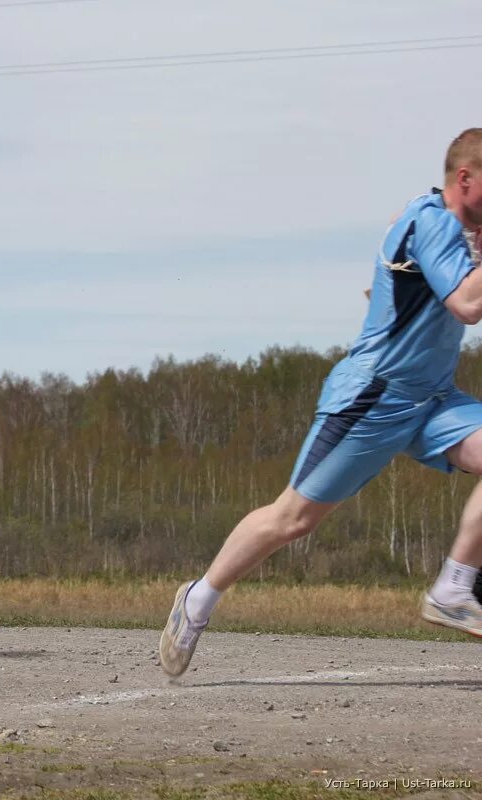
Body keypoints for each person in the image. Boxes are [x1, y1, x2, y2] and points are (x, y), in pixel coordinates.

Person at [160, 129, 482, 678]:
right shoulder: (432, 220)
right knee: (292, 519)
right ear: (465, 179)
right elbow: (468, 305)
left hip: (432, 400)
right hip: (373, 398)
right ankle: (199, 598)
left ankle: (454, 586)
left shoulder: (448, 225)